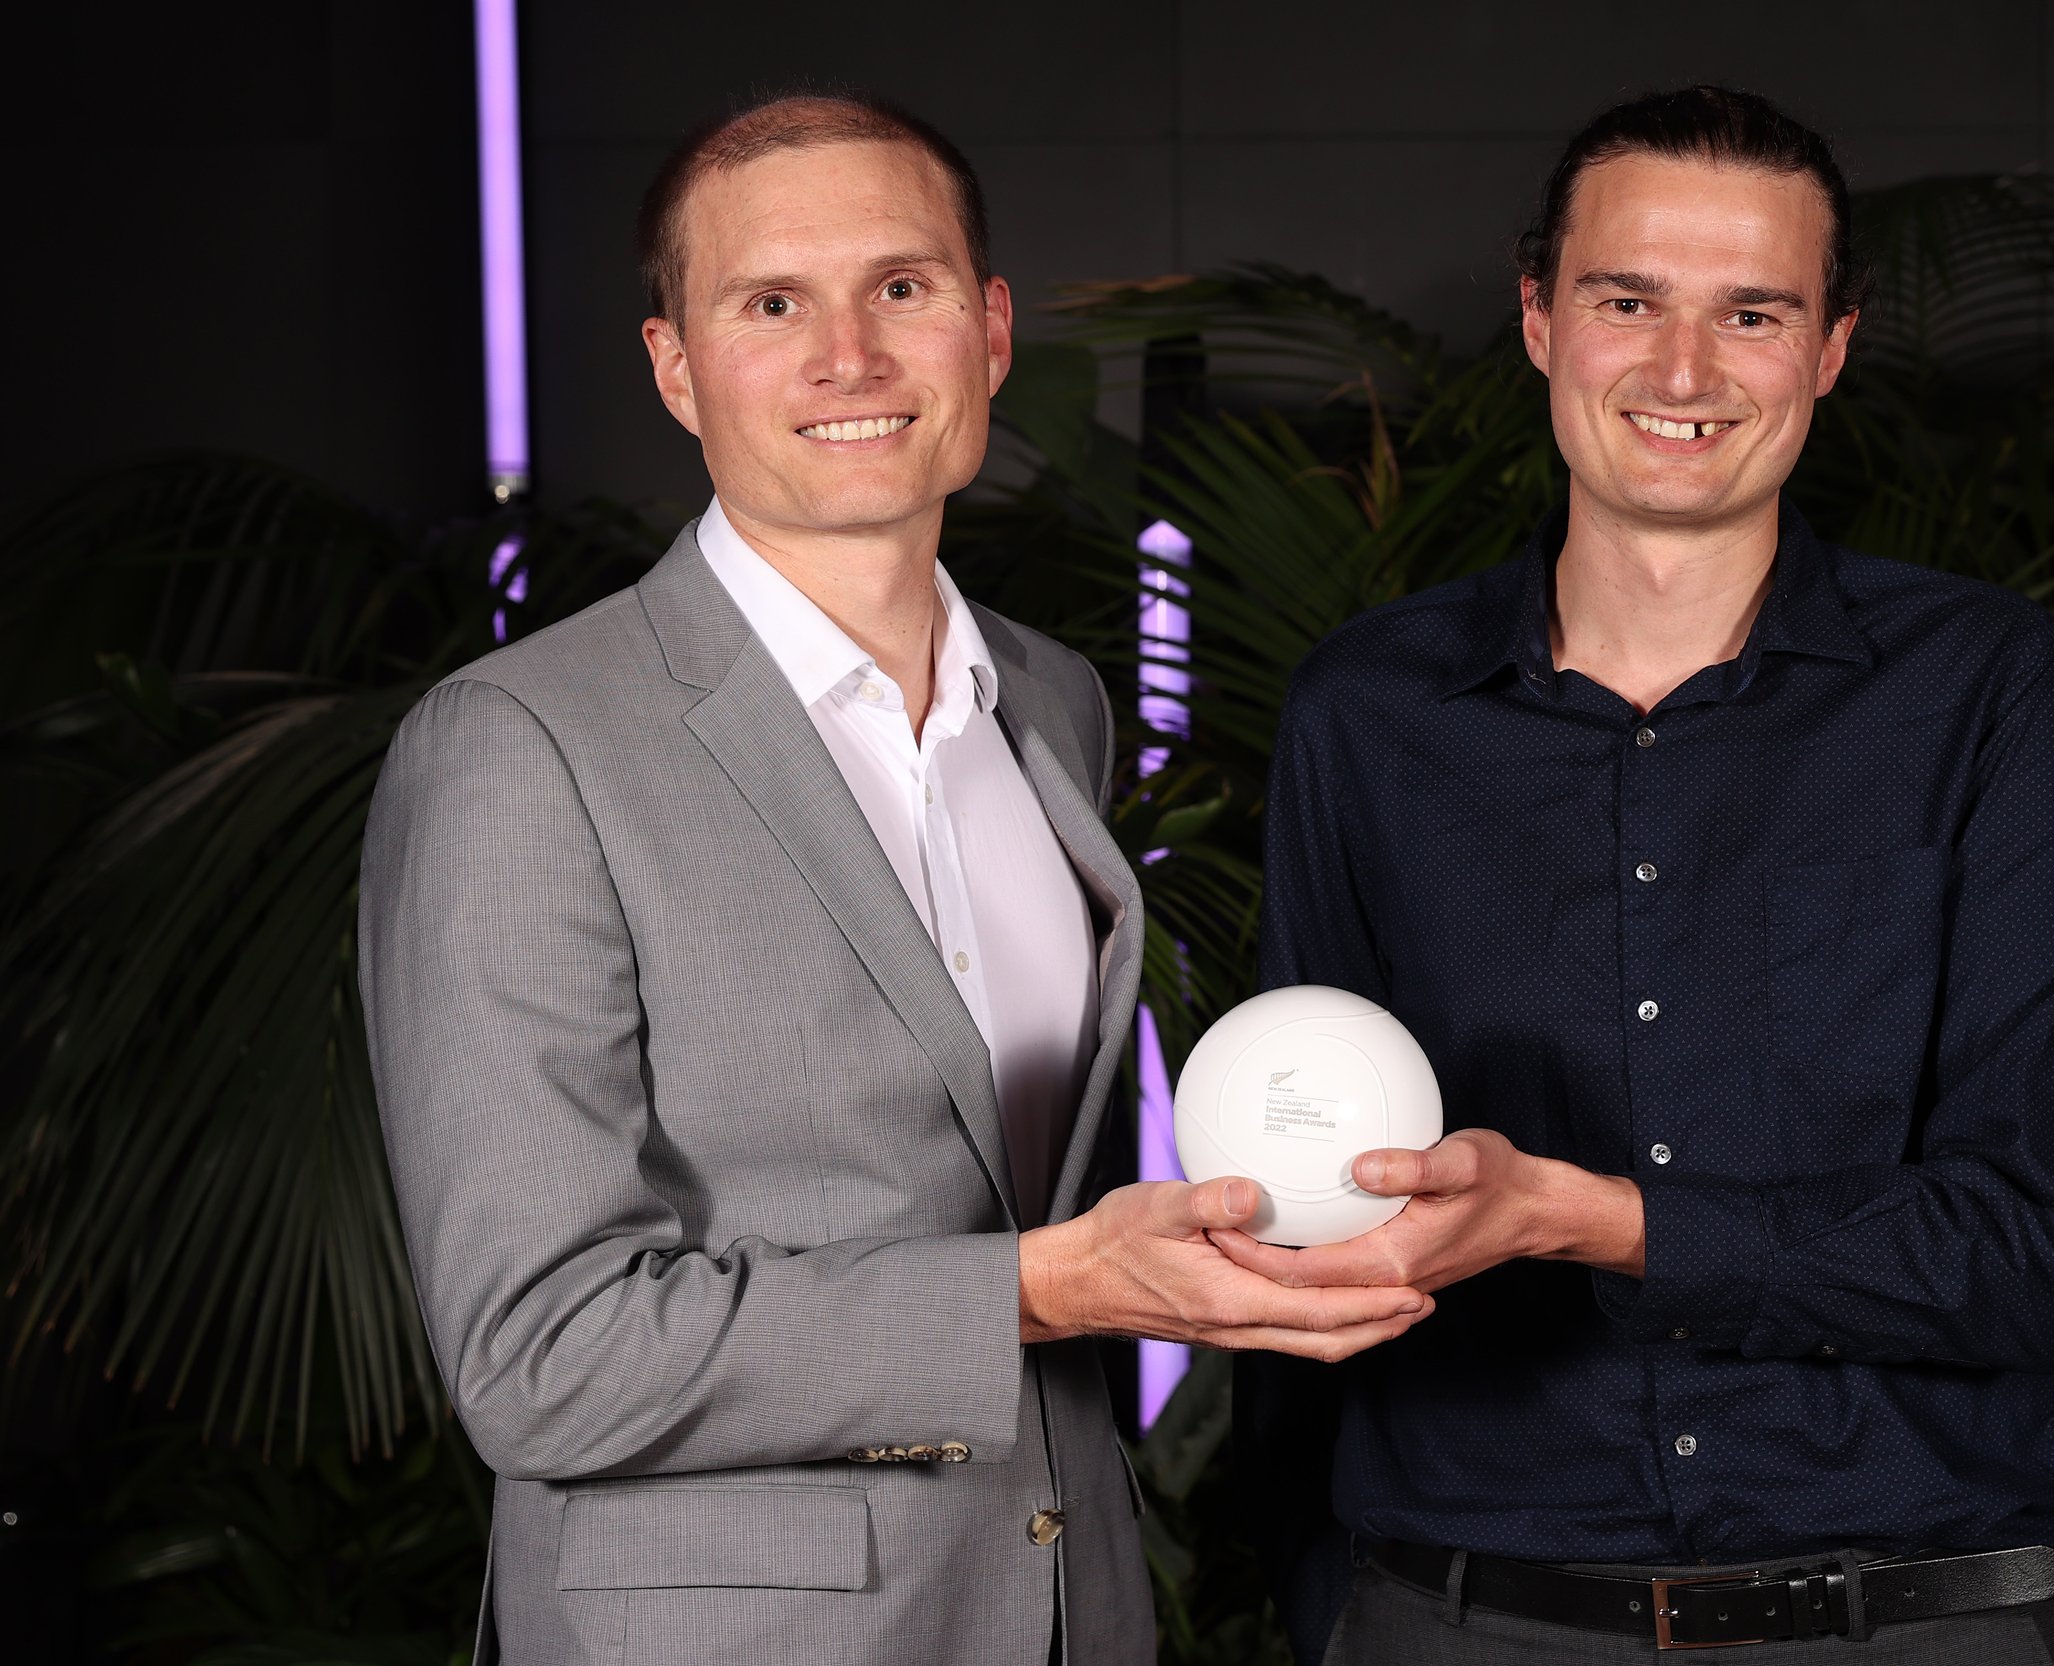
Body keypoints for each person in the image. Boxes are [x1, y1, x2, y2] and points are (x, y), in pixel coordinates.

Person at [358, 90, 1431, 1666]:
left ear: (989, 330)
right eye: (770, 302)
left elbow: (1015, 1181)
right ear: (675, 367)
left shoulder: (1055, 700)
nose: (847, 355)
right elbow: (545, 1353)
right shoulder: (520, 748)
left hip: (1068, 1607)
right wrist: (1047, 1287)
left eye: (901, 289)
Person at [1229, 86, 2054, 1664]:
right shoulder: (1364, 713)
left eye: (1753, 312)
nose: (1684, 370)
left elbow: (2035, 1250)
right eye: (1628, 299)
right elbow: (1300, 1203)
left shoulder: (1984, 690)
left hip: (1902, 1620)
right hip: (1452, 1614)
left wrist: (1602, 1219)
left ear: (1831, 347)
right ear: (1539, 319)